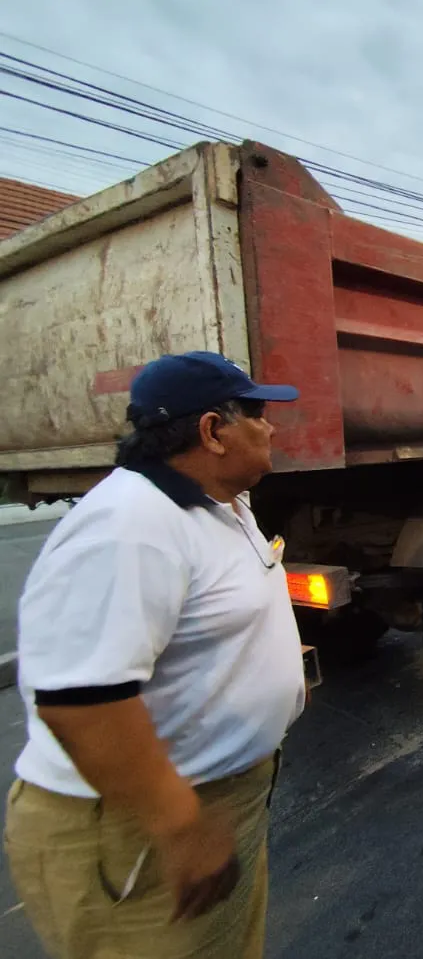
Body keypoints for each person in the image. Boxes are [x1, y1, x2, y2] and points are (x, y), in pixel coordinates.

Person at [4, 351, 307, 959]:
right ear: (212, 431)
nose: (271, 427)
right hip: (136, 835)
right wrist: (180, 826)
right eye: (257, 413)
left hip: (210, 807)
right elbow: (80, 701)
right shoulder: (131, 523)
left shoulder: (217, 503)